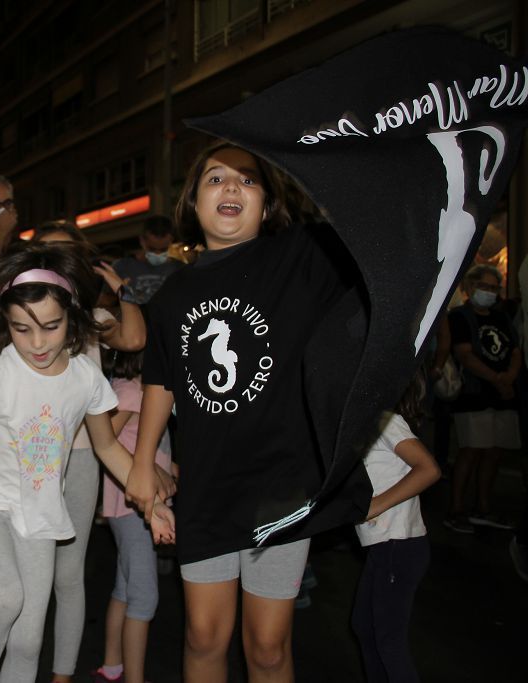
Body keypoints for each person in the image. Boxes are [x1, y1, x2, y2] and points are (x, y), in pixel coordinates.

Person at [125, 142, 354, 682]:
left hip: (282, 483)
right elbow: (161, 380)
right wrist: (141, 462)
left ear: (270, 204)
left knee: (269, 646)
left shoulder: (303, 256)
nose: (231, 188)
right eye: (215, 179)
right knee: (203, 636)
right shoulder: (173, 295)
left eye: (248, 181)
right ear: (194, 202)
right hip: (206, 484)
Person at [0, 243, 174, 683]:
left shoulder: (84, 377)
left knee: (29, 639)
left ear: (72, 318)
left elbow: (107, 448)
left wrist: (151, 501)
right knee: (6, 598)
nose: (37, 343)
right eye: (21, 329)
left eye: (50, 327)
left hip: (42, 513)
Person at [28, 222, 151, 683]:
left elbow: (136, 339)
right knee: (27, 577)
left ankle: (62, 674)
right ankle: (24, 661)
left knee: (70, 574)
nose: (61, 263)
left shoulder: (92, 318)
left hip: (82, 453)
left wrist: (124, 288)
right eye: (50, 254)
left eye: (69, 255)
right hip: (31, 456)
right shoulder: (23, 315)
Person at [352, 372, 441, 682]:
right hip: (384, 546)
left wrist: (377, 504)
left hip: (399, 544)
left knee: (389, 640)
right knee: (364, 627)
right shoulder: (362, 423)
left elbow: (429, 469)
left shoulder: (384, 420)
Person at [96, 348, 174, 683]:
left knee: (125, 589)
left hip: (133, 506)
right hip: (132, 507)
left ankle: (112, 666)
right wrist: (149, 470)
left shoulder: (139, 389)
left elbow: (150, 450)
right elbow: (106, 441)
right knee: (144, 597)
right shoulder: (131, 391)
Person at [445, 264, 521, 533]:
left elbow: (514, 350)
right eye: (484, 286)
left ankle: (483, 507)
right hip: (474, 395)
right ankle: (456, 508)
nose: (489, 292)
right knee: (471, 451)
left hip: (503, 395)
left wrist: (509, 378)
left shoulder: (501, 318)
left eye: (493, 288)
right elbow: (465, 354)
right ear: (469, 288)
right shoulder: (460, 317)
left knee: (494, 452)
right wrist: (497, 379)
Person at [112, 215, 185, 304]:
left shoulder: (180, 269)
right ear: (142, 241)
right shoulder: (122, 267)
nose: (158, 254)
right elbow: (106, 301)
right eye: (152, 249)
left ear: (171, 241)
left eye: (163, 249)